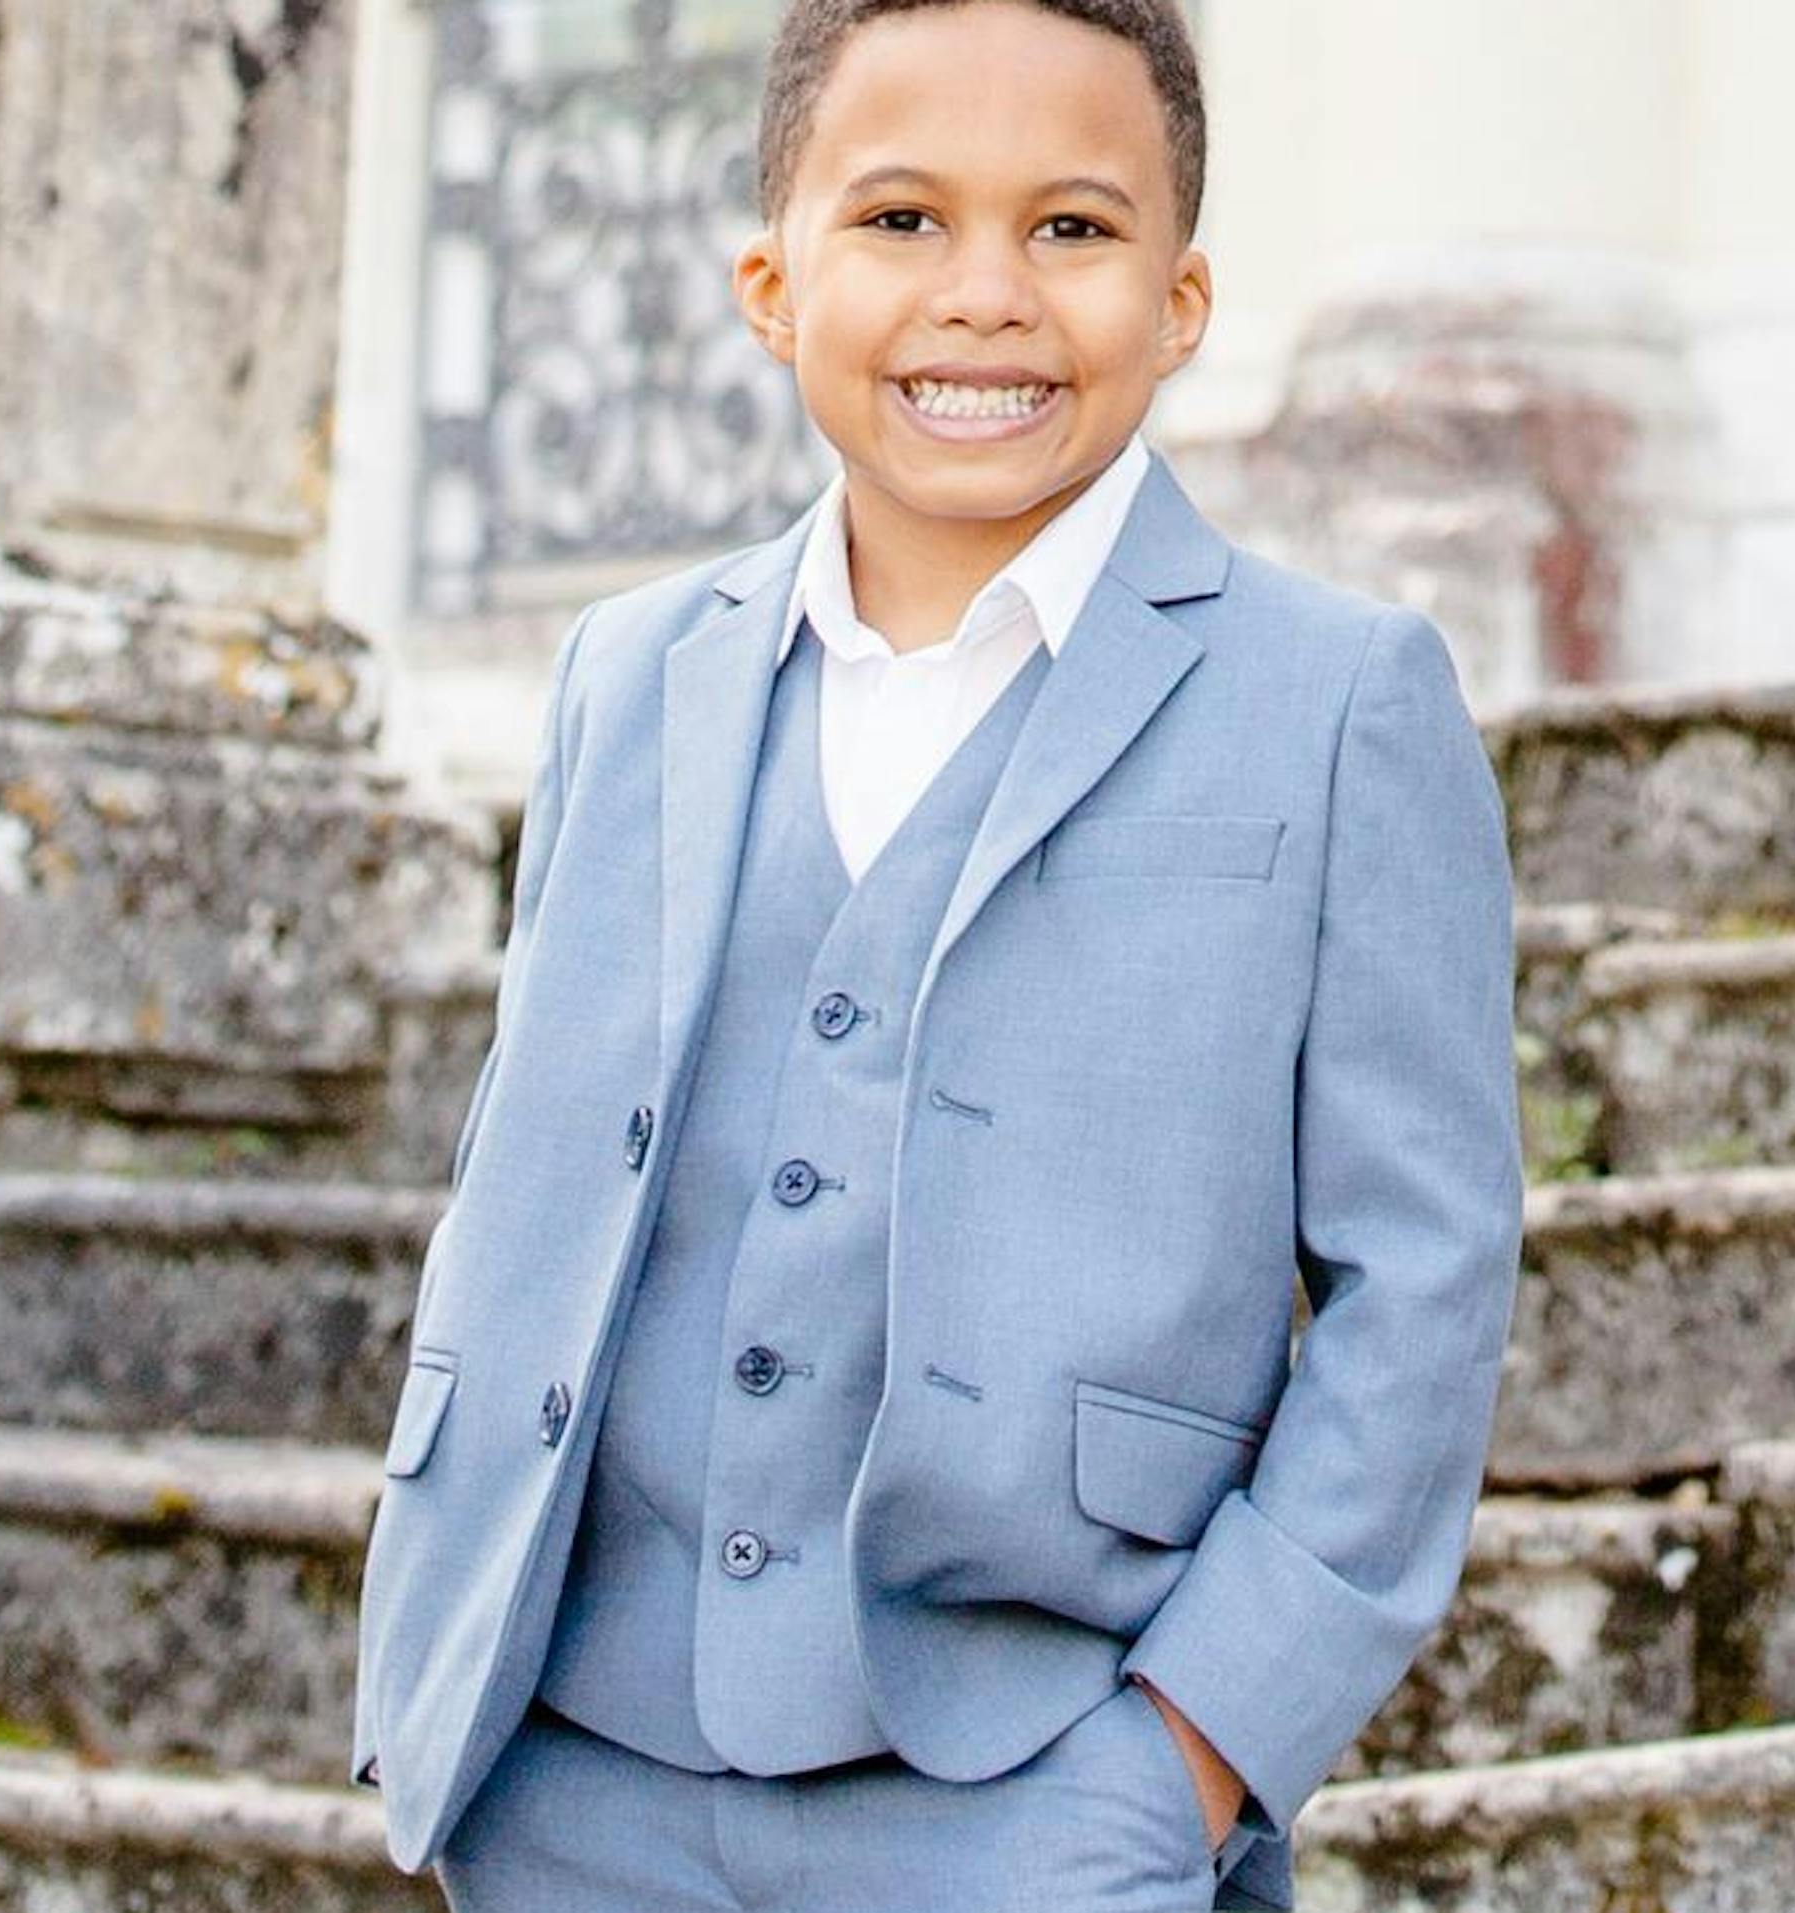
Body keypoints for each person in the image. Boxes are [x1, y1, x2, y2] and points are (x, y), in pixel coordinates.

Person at [349, 2, 1523, 1906]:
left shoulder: (1336, 702)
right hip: (576, 1771)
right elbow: (535, 1170)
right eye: (900, 221)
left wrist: (1195, 1752)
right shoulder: (629, 676)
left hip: (1043, 1787)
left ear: (1185, 297)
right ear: (768, 280)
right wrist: (444, 1665)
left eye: (1071, 230)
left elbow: (1425, 1280)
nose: (984, 295)